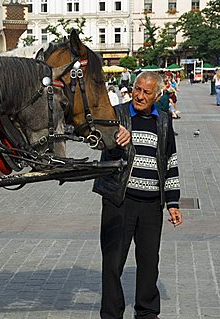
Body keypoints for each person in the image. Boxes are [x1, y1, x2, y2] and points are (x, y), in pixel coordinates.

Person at [93, 71, 182, 319]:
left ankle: (147, 312)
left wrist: (172, 201)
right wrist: (113, 140)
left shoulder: (164, 120)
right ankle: (111, 314)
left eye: (146, 92)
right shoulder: (117, 115)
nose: (139, 96)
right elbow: (98, 143)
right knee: (112, 263)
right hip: (119, 200)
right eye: (137, 89)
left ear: (157, 95)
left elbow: (170, 161)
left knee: (149, 262)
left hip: (152, 205)